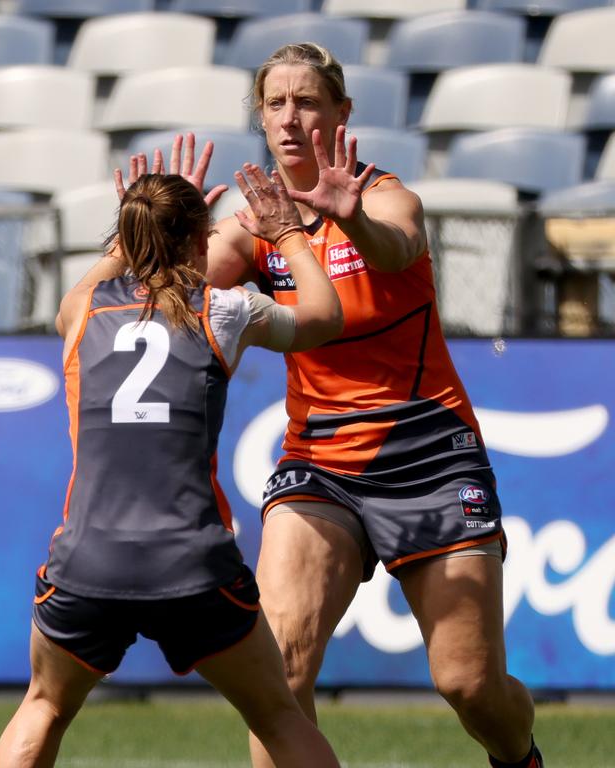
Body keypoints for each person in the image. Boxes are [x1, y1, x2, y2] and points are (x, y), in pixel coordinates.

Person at [193, 42, 544, 768]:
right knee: (279, 674)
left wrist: (346, 218)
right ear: (260, 117)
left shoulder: (385, 197)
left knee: (470, 685)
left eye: (308, 102)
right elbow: (181, 283)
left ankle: (521, 758)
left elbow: (394, 246)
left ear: (342, 112)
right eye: (275, 103)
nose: (290, 119)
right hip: (319, 459)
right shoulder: (255, 219)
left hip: (428, 454)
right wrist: (158, 236)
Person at [0, 162, 345, 767]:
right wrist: (286, 234)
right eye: (205, 236)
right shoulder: (223, 310)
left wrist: (131, 233)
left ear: (128, 240)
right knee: (278, 715)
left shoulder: (80, 313)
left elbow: (86, 291)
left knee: (44, 706)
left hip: (86, 560)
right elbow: (325, 317)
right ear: (194, 240)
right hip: (191, 565)